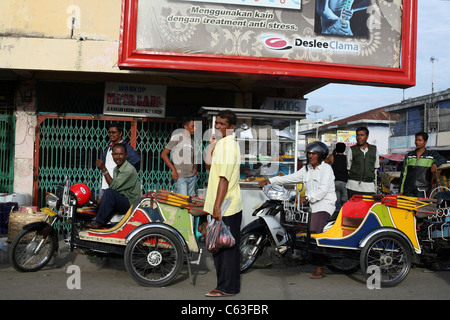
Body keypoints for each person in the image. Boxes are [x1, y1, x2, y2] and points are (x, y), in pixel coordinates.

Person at [259, 141, 336, 279]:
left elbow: (323, 190)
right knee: (291, 222)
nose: (310, 156)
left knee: (314, 232)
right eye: (309, 153)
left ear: (321, 155)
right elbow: (291, 178)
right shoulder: (306, 169)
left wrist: (306, 198)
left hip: (324, 204)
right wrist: (270, 181)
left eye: (314, 153)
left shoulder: (326, 169)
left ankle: (320, 267)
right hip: (310, 204)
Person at [204, 110, 243, 297]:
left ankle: (226, 287)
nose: (217, 127)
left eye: (222, 124)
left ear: (231, 127)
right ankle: (228, 286)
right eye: (216, 123)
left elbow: (224, 179)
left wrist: (217, 206)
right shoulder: (222, 144)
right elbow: (208, 165)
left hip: (226, 205)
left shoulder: (228, 146)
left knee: (225, 249)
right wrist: (211, 145)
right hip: (221, 204)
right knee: (222, 247)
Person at [86, 143, 142, 229]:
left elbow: (114, 186)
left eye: (120, 154)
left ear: (126, 155)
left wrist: (104, 169)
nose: (118, 157)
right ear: (112, 155)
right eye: (115, 154)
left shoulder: (128, 169)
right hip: (123, 198)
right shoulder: (117, 168)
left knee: (108, 193)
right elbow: (116, 187)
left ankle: (99, 222)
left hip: (131, 203)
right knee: (98, 201)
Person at [400, 131, 447, 197]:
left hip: (423, 190)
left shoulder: (431, 155)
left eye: (420, 140)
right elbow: (404, 174)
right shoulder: (409, 155)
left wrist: (435, 164)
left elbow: (443, 160)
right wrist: (401, 190)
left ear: (425, 142)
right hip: (408, 190)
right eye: (416, 140)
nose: (417, 142)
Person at [98, 122, 140, 191]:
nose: (111, 134)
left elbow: (136, 159)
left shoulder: (124, 147)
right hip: (106, 183)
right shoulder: (109, 146)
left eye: (113, 132)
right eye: (109, 132)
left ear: (120, 133)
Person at [161, 119, 197, 196]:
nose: (195, 128)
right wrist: (173, 169)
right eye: (193, 126)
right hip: (181, 176)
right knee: (183, 202)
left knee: (189, 203)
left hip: (192, 177)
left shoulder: (192, 142)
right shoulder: (177, 137)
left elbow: (194, 158)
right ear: (185, 127)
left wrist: (195, 173)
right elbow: (164, 154)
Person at [346, 127, 379, 199]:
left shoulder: (374, 149)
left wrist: (375, 188)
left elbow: (375, 168)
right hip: (353, 186)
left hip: (369, 187)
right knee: (353, 209)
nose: (359, 137)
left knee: (367, 209)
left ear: (367, 136)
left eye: (362, 135)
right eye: (358, 135)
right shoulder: (352, 150)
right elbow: (348, 167)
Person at [326, 142, 348, 213]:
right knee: (344, 202)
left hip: (335, 182)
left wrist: (333, 153)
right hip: (345, 182)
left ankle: (336, 216)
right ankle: (343, 215)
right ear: (344, 149)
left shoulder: (332, 157)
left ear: (336, 148)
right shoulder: (347, 158)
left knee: (337, 202)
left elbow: (324, 162)